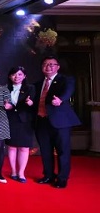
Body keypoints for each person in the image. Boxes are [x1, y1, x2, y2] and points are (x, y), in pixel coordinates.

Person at [33, 56, 81, 189]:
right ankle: (48, 175)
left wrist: (60, 99)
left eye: (51, 64)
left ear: (58, 67)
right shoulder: (37, 84)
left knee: (63, 151)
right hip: (42, 121)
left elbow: (68, 91)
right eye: (45, 64)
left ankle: (62, 178)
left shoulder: (66, 80)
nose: (48, 66)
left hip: (60, 122)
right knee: (45, 150)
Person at [5, 66, 36, 183]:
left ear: (24, 76)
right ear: (10, 76)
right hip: (10, 120)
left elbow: (35, 103)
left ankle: (21, 173)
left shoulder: (30, 88)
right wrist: (6, 106)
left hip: (25, 120)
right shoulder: (5, 89)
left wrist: (31, 103)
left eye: (19, 74)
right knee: (11, 147)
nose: (16, 77)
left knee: (24, 148)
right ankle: (13, 171)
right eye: (14, 74)